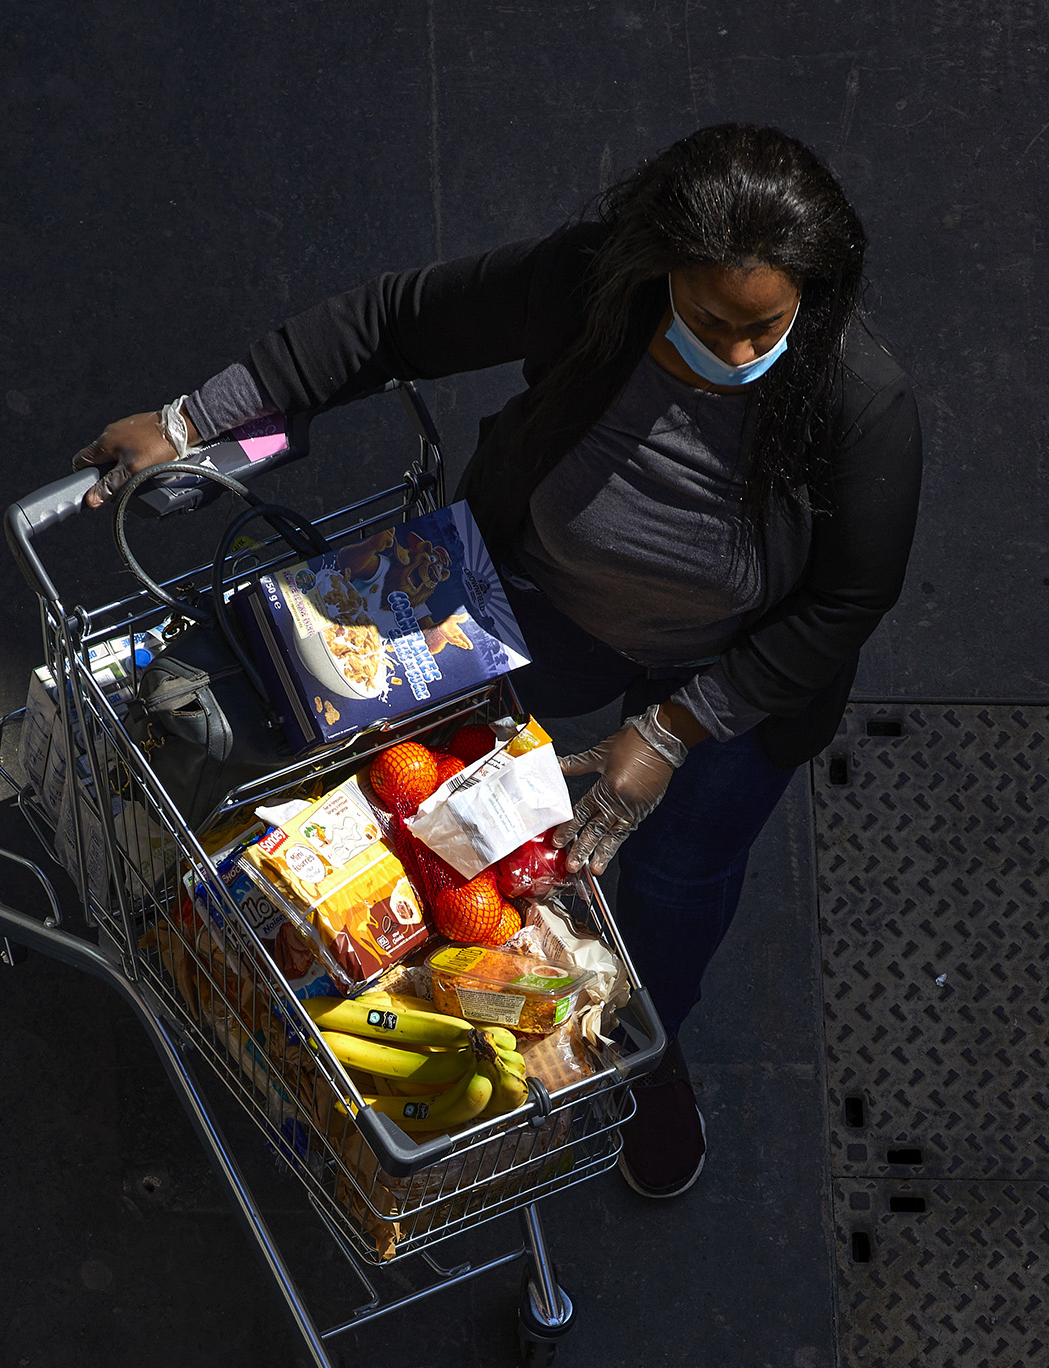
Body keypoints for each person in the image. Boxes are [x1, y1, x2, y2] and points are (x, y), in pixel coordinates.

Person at [74, 122, 922, 1200]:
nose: (743, 354)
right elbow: (394, 322)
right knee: (445, 822)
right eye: (712, 323)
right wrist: (191, 418)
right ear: (658, 270)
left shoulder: (861, 399)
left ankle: (641, 1056)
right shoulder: (590, 285)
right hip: (542, 603)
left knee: (675, 881)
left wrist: (672, 729)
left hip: (735, 675)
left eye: (768, 327)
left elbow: (849, 599)